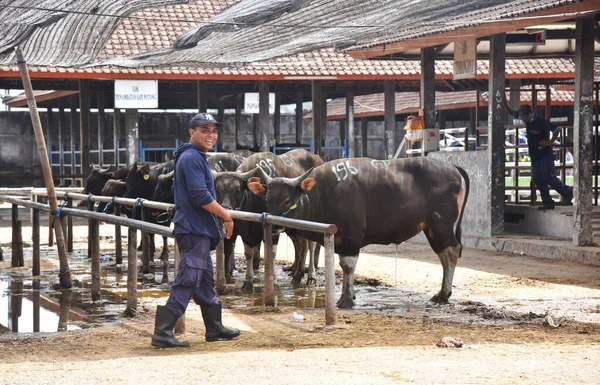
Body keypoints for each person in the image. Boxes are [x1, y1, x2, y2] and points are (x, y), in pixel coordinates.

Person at [151, 112, 239, 348]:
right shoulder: (191, 158)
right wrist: (226, 215)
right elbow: (200, 196)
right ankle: (163, 331)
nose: (211, 135)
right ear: (192, 133)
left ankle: (214, 327)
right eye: (204, 130)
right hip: (193, 228)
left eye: (214, 131)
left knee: (204, 281)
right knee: (189, 278)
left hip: (197, 227)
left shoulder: (196, 156)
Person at [504, 102, 573, 210]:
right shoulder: (526, 120)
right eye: (523, 118)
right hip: (534, 154)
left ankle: (568, 193)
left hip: (544, 154)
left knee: (548, 176)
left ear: (532, 113)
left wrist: (550, 142)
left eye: (526, 117)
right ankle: (548, 202)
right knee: (537, 179)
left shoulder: (541, 122)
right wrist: (503, 101)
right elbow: (511, 112)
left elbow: (557, 130)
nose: (524, 119)